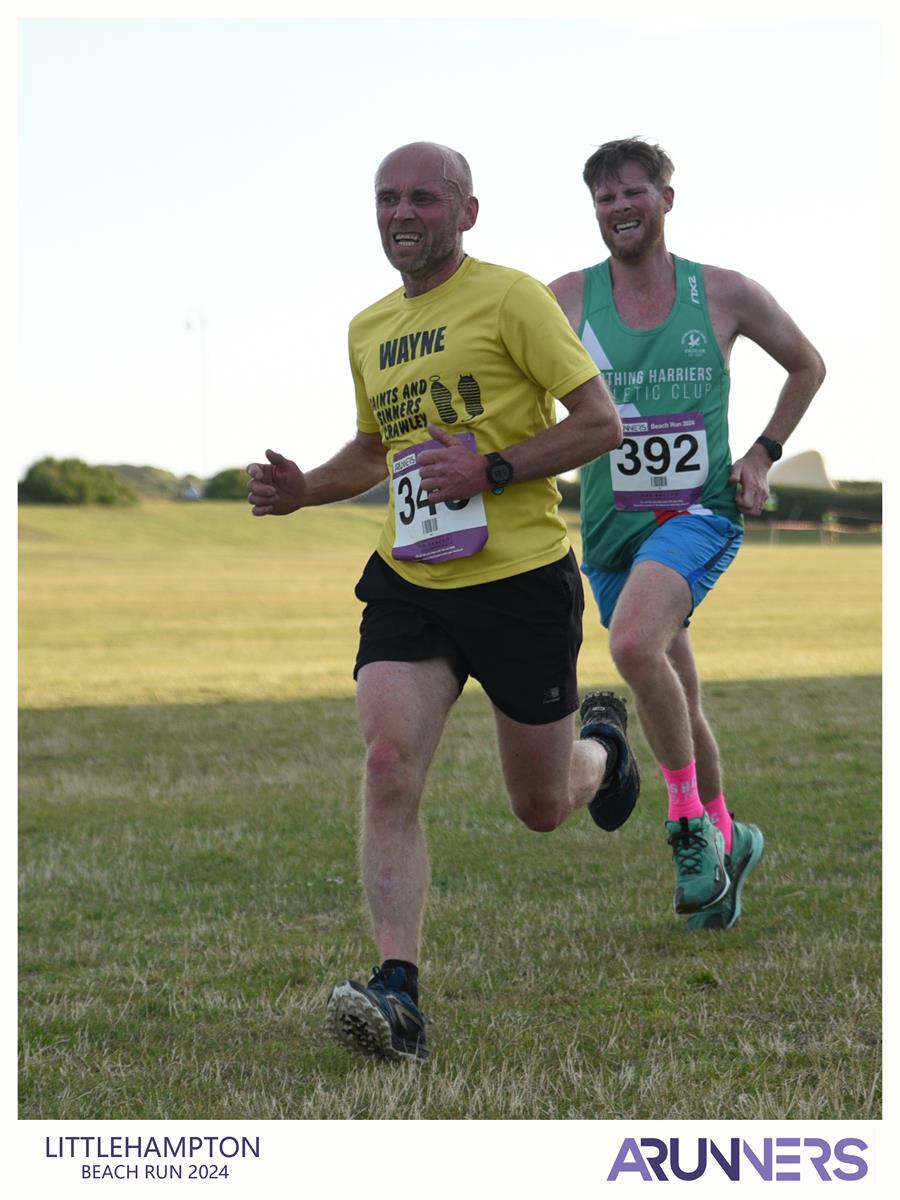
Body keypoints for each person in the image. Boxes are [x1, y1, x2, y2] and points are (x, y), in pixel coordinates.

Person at [246, 141, 640, 1062]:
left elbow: (599, 423)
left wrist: (494, 466)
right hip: (411, 579)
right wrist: (307, 487)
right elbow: (376, 451)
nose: (402, 213)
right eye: (387, 198)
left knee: (540, 806)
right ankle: (399, 992)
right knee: (387, 765)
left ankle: (604, 748)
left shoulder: (512, 299)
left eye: (423, 197)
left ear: (466, 211)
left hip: (519, 583)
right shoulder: (368, 327)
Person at [549, 137, 826, 932]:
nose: (619, 208)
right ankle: (732, 833)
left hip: (698, 514)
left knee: (633, 647)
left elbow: (806, 364)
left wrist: (763, 453)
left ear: (667, 199)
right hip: (609, 538)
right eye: (604, 198)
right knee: (681, 698)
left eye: (633, 192)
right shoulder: (566, 298)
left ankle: (686, 827)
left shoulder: (726, 294)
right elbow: (504, 359)